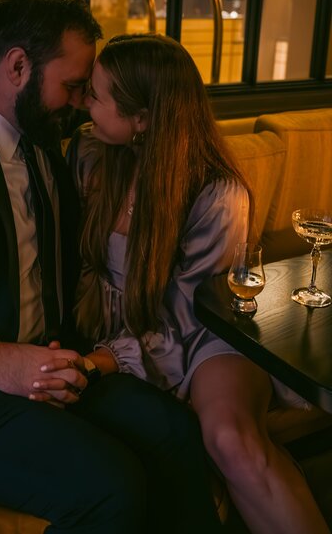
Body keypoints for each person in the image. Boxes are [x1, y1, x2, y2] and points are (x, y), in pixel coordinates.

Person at [0, 0, 223, 534]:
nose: (78, 104)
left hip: (58, 361)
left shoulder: (48, 137)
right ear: (19, 65)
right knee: (111, 486)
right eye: (71, 87)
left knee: (176, 433)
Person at [34, 33, 330, 534]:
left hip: (206, 333)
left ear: (142, 120)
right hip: (128, 332)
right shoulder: (90, 153)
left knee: (231, 439)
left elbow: (186, 316)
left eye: (98, 95)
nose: (85, 101)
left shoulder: (216, 191)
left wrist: (105, 358)